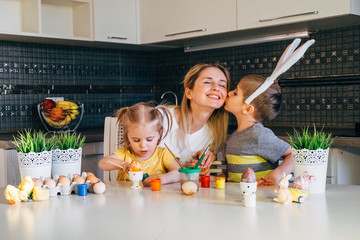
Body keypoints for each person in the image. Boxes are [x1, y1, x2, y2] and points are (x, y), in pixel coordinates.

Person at [159, 63, 230, 176]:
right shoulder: (161, 118)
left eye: (222, 85)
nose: (216, 88)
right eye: (207, 82)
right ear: (189, 92)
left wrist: (199, 168)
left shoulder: (213, 135)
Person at [224, 75, 293, 185]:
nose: (229, 93)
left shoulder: (259, 135)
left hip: (260, 198)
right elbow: (235, 175)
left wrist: (276, 175)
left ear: (247, 109)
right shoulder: (234, 136)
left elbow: (294, 155)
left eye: (235, 93)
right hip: (239, 198)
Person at [98, 102, 180, 186]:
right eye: (136, 140)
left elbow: (180, 173)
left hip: (155, 198)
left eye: (149, 139)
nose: (143, 145)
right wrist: (122, 164)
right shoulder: (125, 153)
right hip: (125, 198)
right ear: (127, 136)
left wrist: (164, 178)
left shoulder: (162, 154)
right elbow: (102, 163)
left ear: (159, 134)